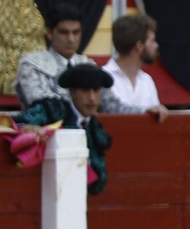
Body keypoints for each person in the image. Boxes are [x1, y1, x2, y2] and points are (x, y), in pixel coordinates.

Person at [16, 3, 166, 118]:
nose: (70, 39)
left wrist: (144, 110)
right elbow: (42, 105)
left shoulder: (88, 65)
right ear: (49, 33)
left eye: (76, 32)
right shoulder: (33, 65)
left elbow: (111, 105)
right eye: (64, 32)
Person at [16, 64, 118, 195]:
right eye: (85, 90)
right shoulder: (53, 111)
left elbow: (97, 183)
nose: (92, 98)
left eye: (96, 90)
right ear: (72, 92)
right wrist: (29, 129)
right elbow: (17, 123)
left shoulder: (96, 130)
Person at [99, 12, 163, 112]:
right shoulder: (103, 77)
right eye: (152, 40)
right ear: (139, 46)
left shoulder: (147, 80)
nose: (156, 45)